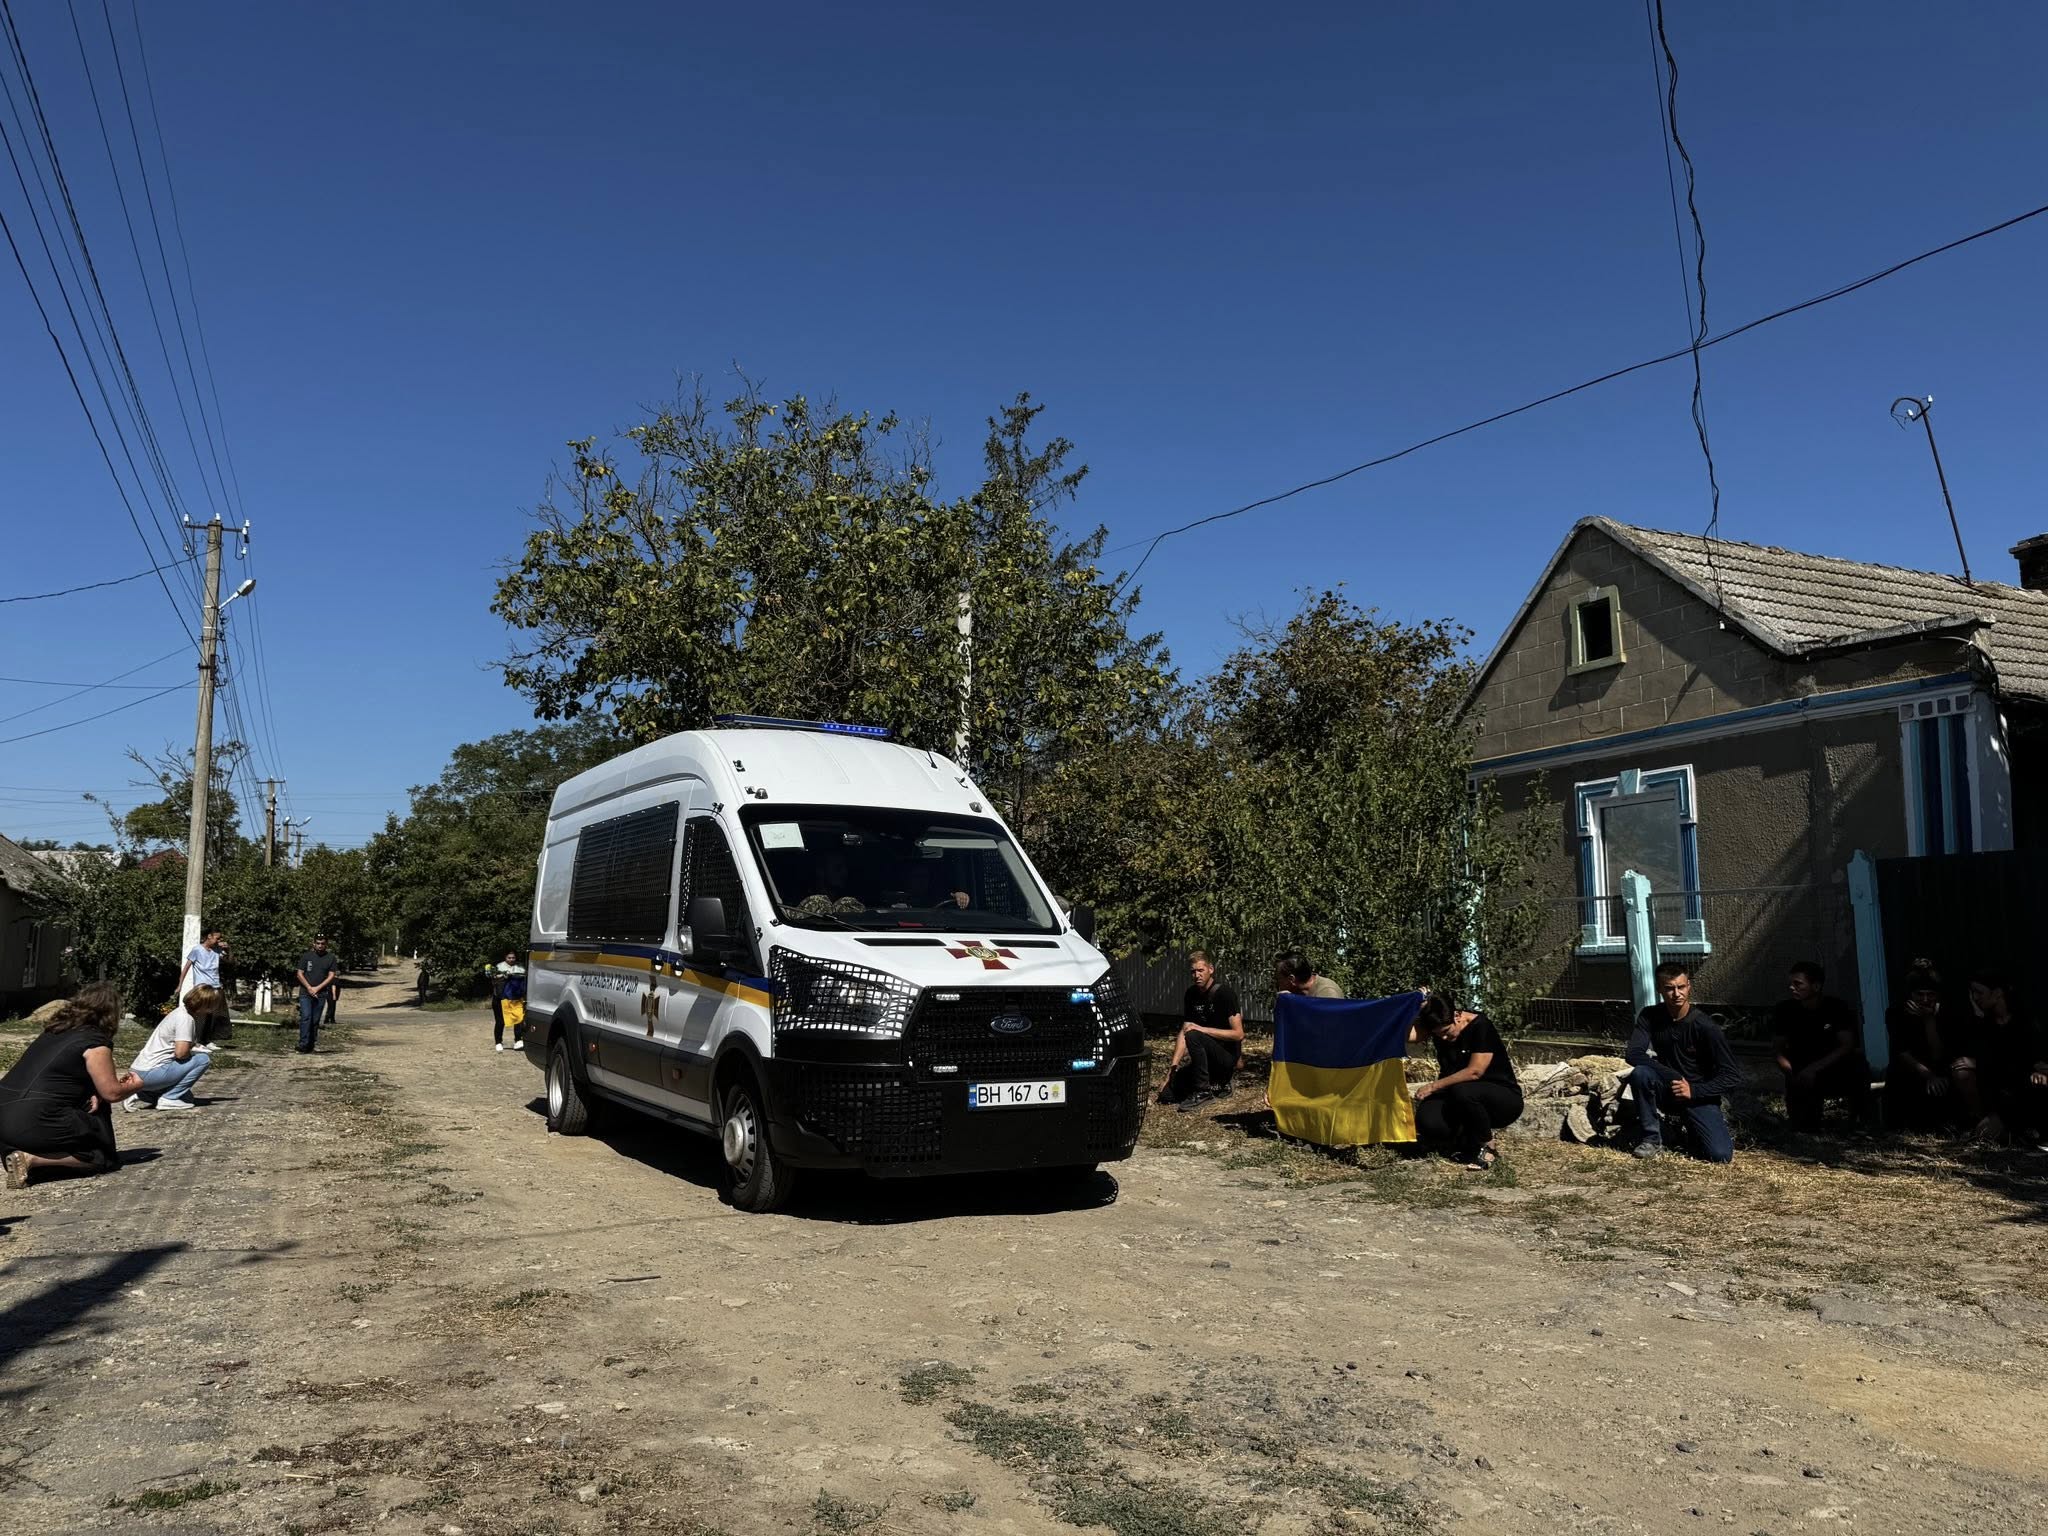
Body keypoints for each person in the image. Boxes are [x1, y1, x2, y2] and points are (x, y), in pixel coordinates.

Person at [0, 983, 142, 1188]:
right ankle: (31, 1159)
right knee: (101, 1157)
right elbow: (112, 1092)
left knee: (89, 1101)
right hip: (34, 1119)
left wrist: (92, 1090)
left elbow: (58, 1075)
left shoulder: (53, 1032)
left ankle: (22, 1159)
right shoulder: (94, 1042)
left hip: (4, 1118)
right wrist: (135, 1086)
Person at [1623, 961, 1741, 1163]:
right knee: (1641, 1073)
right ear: (1659, 989)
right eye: (1669, 988)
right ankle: (1651, 1139)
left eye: (1681, 987)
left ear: (1689, 986)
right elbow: (1633, 1054)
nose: (1676, 994)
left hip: (1698, 1095)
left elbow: (1732, 1076)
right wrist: (1674, 1076)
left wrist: (1694, 1091)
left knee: (1720, 1155)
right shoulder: (1650, 1016)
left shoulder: (1706, 1027)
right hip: (1667, 1088)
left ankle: (1692, 1127)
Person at [1409, 992, 1523, 1169]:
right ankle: (1464, 1141)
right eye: (1438, 1035)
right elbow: (1409, 1036)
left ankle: (1488, 1145)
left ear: (1457, 1016)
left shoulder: (1481, 1026)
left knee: (1462, 1091)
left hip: (1501, 1098)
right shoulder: (1439, 1022)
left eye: (1446, 1032)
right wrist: (1410, 1005)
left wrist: (1433, 1086)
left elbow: (1474, 1072)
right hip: (1458, 1094)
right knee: (1428, 1119)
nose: (1443, 1038)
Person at [1770, 961, 1870, 1131]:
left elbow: (1847, 1045)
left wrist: (1815, 1068)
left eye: (1798, 984)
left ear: (1816, 986)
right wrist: (1790, 1072)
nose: (1792, 988)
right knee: (1803, 1127)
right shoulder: (1785, 1010)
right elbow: (1777, 1049)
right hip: (1800, 1066)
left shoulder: (1836, 1007)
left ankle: (1860, 1118)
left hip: (1833, 1065)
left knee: (1859, 1064)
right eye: (1791, 983)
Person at [1958, 972, 2048, 1145]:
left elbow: (2029, 1061)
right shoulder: (1985, 1024)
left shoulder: (2025, 1022)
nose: (1975, 998)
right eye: (1972, 993)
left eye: (1979, 992)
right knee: (1984, 1133)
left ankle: (2028, 1130)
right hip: (1998, 1096)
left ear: (1998, 993)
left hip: (2022, 1091)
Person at [1158, 952, 1244, 1110]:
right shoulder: (1191, 994)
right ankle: (1215, 1083)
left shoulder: (1225, 994)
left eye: (1200, 970)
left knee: (1194, 1034)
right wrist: (1172, 1070)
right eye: (1193, 971)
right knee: (1167, 1095)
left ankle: (1204, 1092)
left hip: (1225, 1056)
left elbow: (1238, 1034)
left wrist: (1201, 1029)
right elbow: (1185, 1031)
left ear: (1211, 969)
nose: (1197, 975)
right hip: (1205, 1059)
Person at [1882, 966, 1958, 1130]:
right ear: (1911, 994)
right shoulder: (1896, 1013)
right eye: (1920, 994)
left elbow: (1939, 1055)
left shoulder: (1945, 1013)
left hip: (1937, 1066)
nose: (1925, 999)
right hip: (1909, 1068)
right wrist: (1928, 1075)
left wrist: (1929, 1020)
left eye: (1930, 994)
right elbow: (1901, 1051)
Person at [124, 985, 221, 1112]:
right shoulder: (185, 1019)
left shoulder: (178, 1012)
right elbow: (180, 1053)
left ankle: (140, 1094)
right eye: (211, 1006)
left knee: (187, 1098)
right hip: (150, 1073)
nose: (212, 1010)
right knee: (203, 1059)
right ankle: (169, 1098)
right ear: (204, 1004)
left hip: (140, 1070)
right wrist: (194, 1053)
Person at [178, 927, 227, 1043]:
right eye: (217, 938)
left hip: (215, 986)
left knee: (212, 1014)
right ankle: (195, 1040)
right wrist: (180, 985)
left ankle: (206, 1040)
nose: (219, 941)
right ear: (209, 936)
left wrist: (228, 949)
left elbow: (230, 961)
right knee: (200, 1014)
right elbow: (186, 968)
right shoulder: (197, 950)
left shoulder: (217, 950)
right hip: (202, 987)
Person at [295, 934, 341, 1054]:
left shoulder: (330, 958)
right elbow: (299, 973)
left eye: (322, 943)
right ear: (314, 944)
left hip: (321, 993)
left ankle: (311, 1044)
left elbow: (331, 975)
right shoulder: (306, 956)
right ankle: (303, 1044)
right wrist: (309, 988)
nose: (320, 946)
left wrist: (318, 988)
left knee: (315, 1020)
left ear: (326, 944)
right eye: (318, 943)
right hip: (306, 992)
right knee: (306, 1017)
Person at [490, 950, 527, 1053]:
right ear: (505, 958)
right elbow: (493, 979)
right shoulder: (499, 967)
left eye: (513, 958)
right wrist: (502, 976)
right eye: (509, 958)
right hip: (500, 998)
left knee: (518, 1019)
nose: (511, 960)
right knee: (500, 1021)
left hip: (515, 998)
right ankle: (498, 1042)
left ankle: (518, 1040)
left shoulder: (520, 967)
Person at [1274, 951, 1344, 1000]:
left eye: (1279, 978)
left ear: (1291, 979)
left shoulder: (1327, 993)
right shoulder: (1299, 992)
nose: (1278, 983)